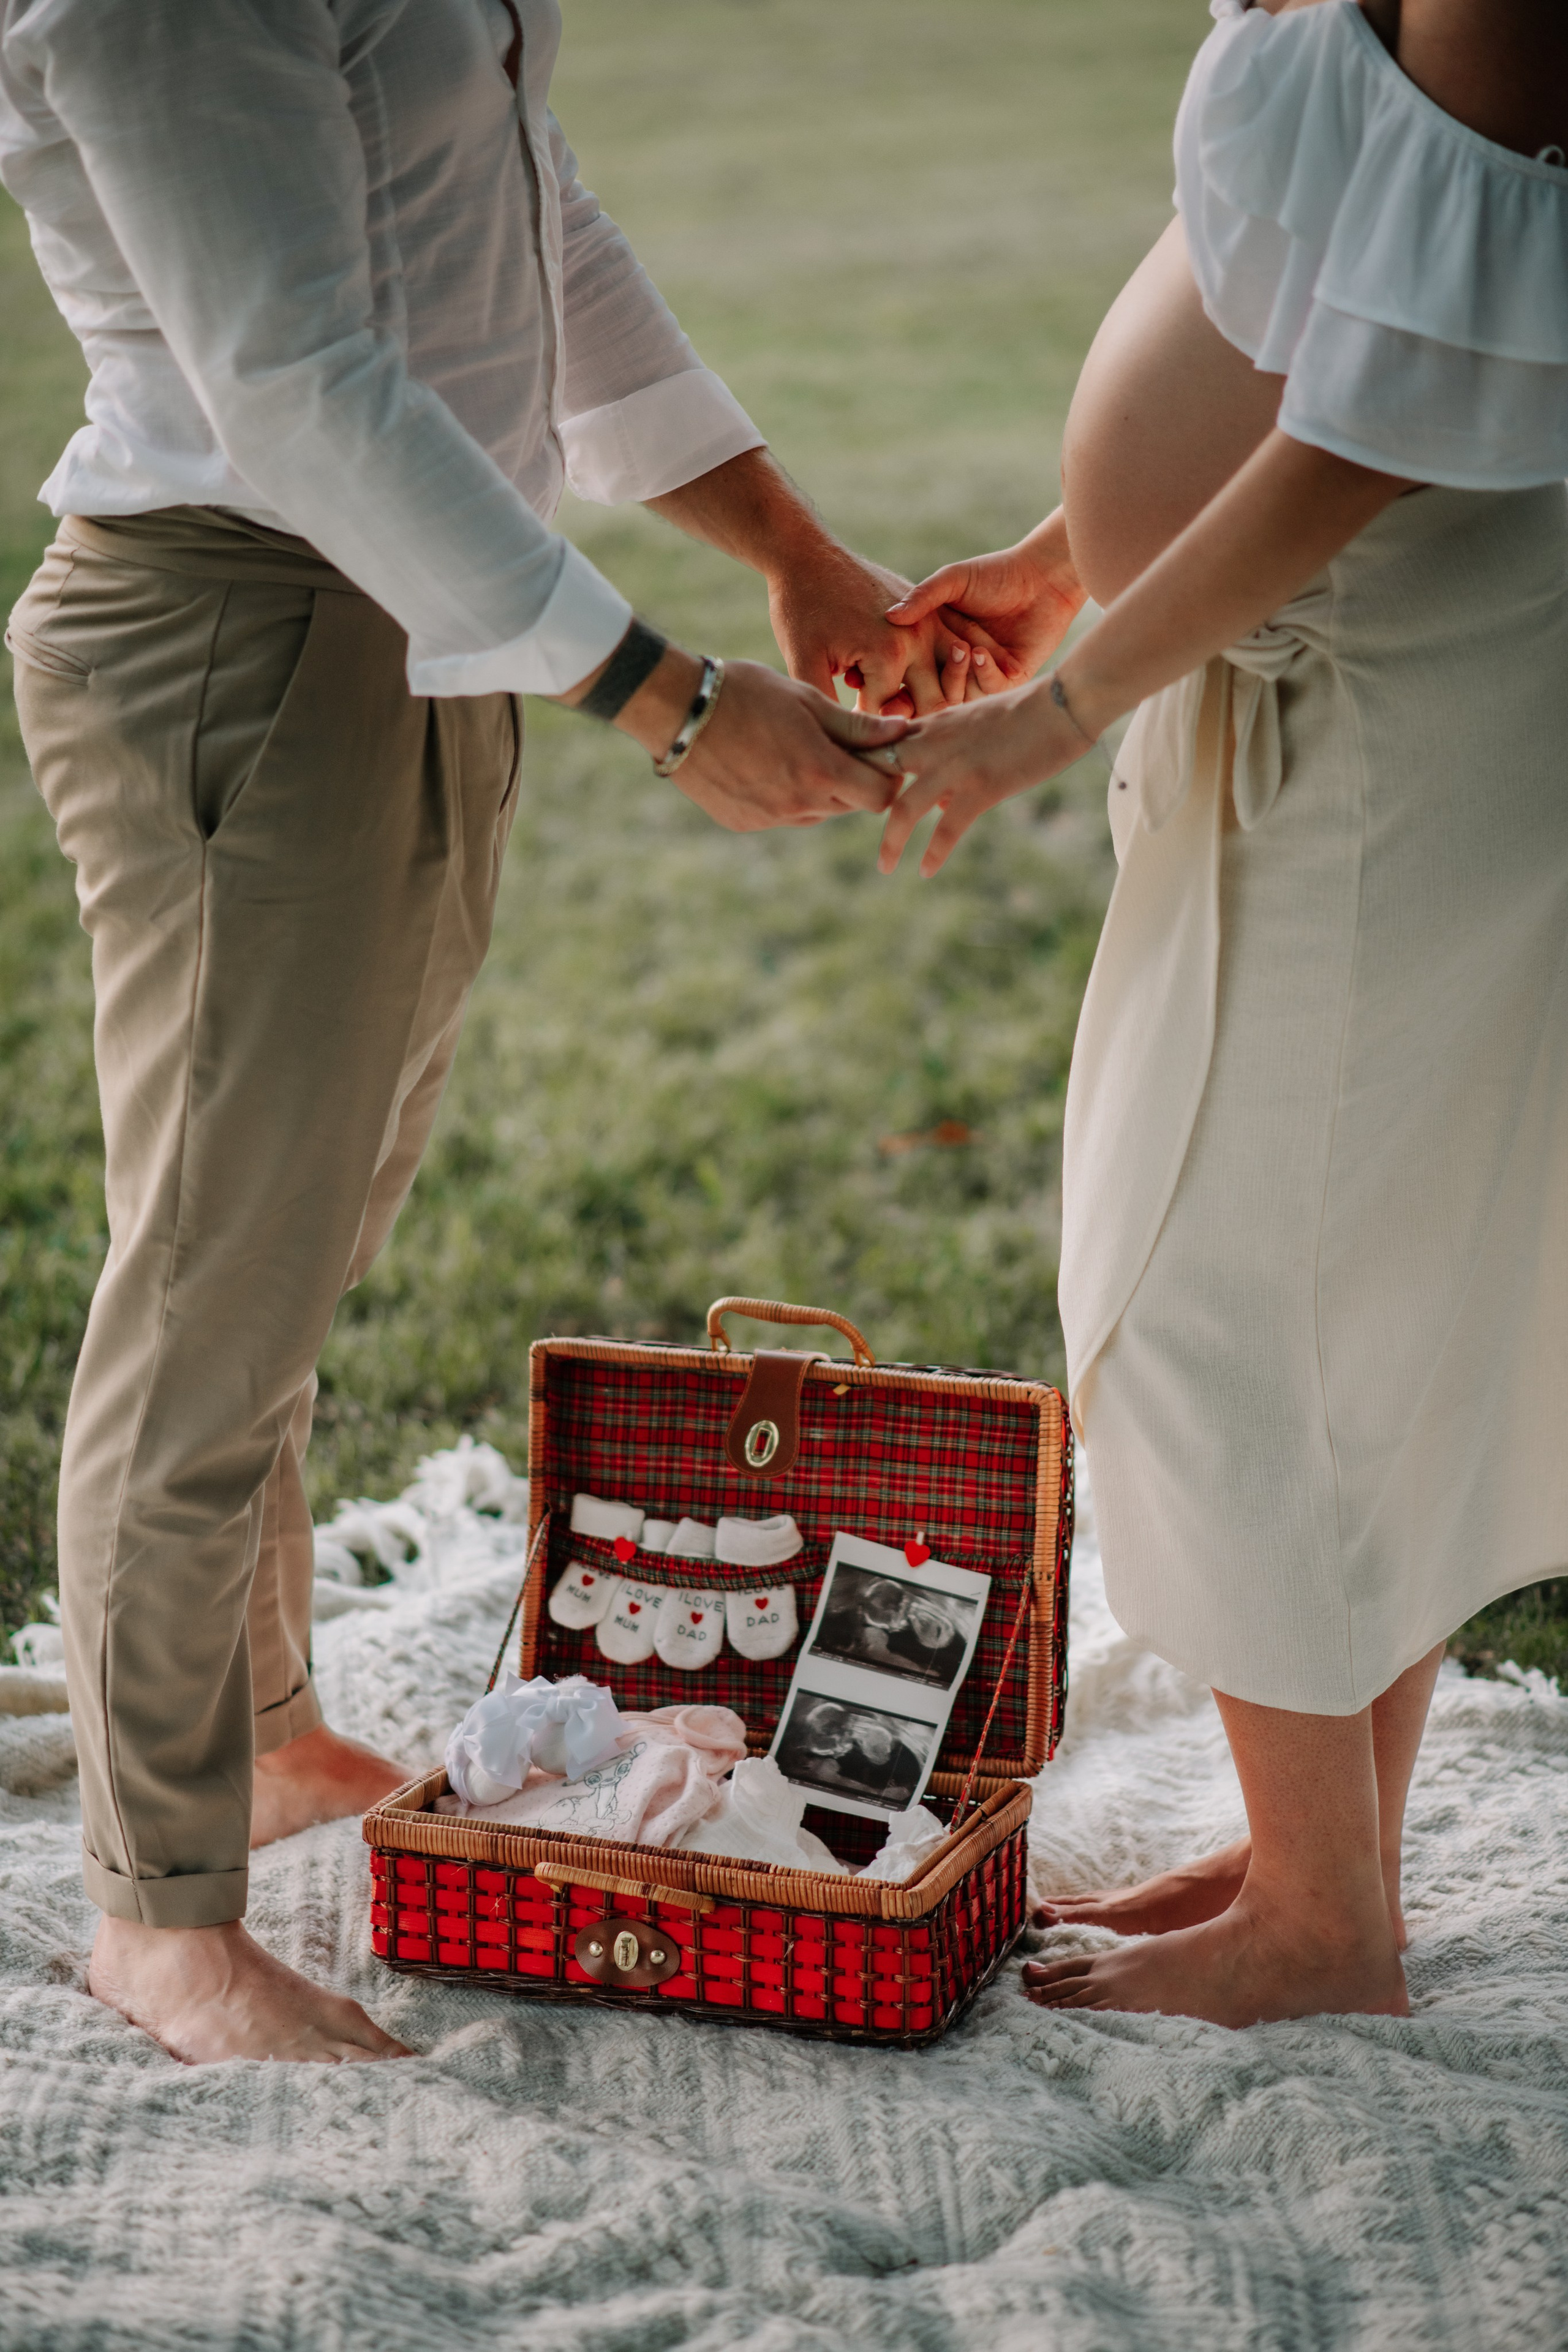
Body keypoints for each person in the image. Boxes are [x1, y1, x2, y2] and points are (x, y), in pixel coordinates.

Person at [0, 0, 957, 2067]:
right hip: (240, 612)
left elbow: (531, 222)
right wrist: (670, 701)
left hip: (414, 621)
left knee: (295, 1249)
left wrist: (786, 550)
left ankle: (255, 1741)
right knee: (208, 1285)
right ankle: (157, 1916)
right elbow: (291, 375)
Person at [876, 0, 1568, 2023]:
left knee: (1225, 1291)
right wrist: (1064, 554)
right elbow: (1315, 282)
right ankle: (1315, 1866)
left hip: (1389, 678)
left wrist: (1058, 707)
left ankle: (1325, 1937)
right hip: (1338, 644)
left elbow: (1386, 405)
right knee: (1337, 1281)